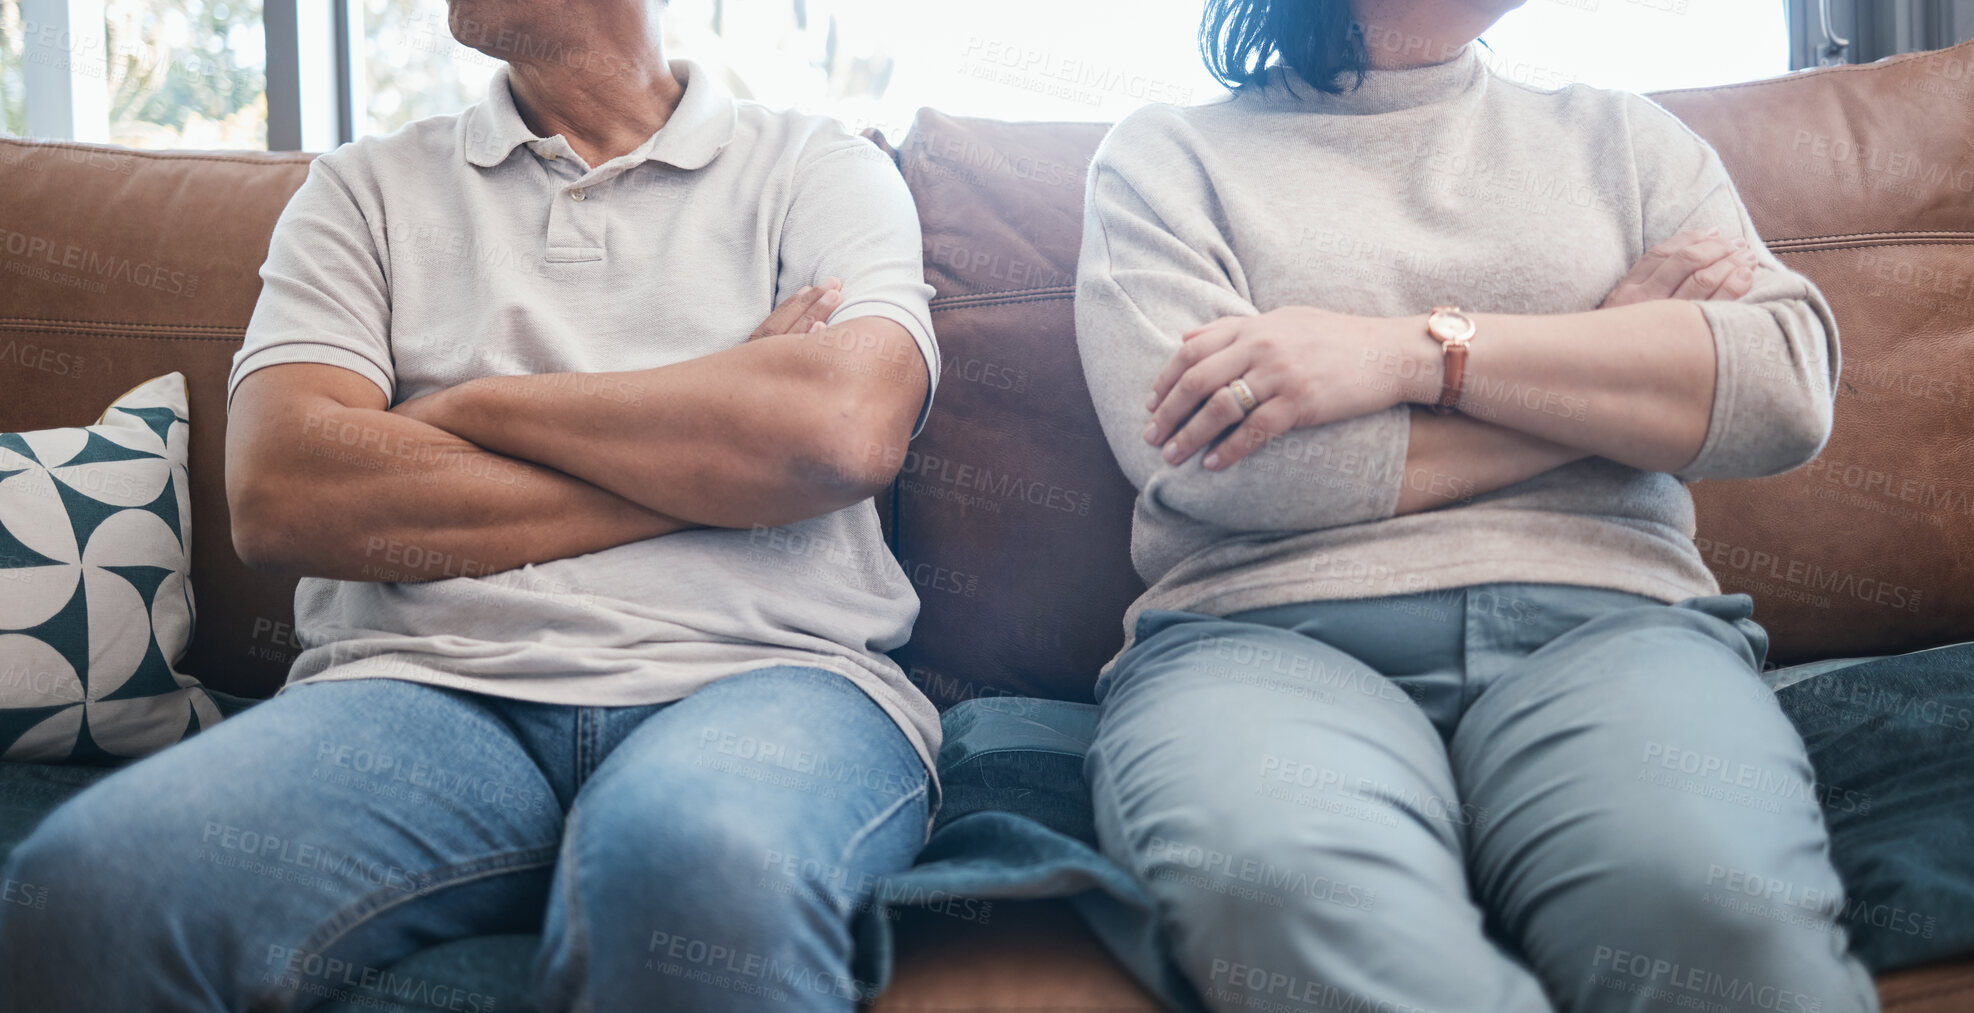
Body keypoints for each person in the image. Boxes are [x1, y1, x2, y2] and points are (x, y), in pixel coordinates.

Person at [0, 1, 940, 1010]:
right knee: (86, 885)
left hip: (771, 678)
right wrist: (717, 459)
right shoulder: (364, 189)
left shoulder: (819, 167)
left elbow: (842, 429)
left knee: (694, 871)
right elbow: (282, 492)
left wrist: (473, 407)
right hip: (422, 692)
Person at [1073, 2, 1875, 1011]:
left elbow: (1784, 387)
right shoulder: (1165, 160)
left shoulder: (1625, 141)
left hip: (1615, 626)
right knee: (1288, 893)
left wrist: (1407, 354)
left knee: (1714, 913)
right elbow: (1225, 468)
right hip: (1262, 641)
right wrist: (1613, 353)